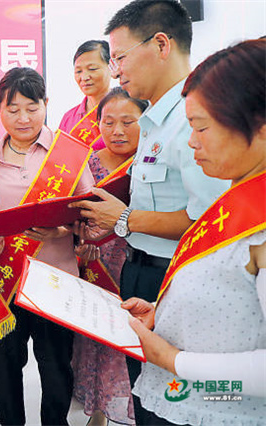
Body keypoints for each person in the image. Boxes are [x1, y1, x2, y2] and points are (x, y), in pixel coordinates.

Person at [69, 2, 230, 421]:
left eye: (120, 57)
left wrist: (123, 219)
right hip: (142, 276)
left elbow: (212, 223)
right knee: (148, 399)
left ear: (161, 44)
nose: (116, 71)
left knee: (176, 403)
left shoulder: (195, 120)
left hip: (175, 277)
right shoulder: (158, 121)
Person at [122, 38, 266, 425]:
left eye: (201, 127)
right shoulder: (237, 196)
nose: (191, 141)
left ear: (260, 128)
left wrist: (172, 359)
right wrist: (166, 312)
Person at [0, 67, 94, 426]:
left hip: (56, 280)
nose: (23, 118)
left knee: (56, 365)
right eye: (13, 109)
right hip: (5, 281)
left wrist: (63, 229)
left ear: (46, 104)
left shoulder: (69, 153)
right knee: (5, 365)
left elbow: (90, 214)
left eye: (32, 108)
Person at [72, 87, 147, 426]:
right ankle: (99, 411)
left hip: (138, 262)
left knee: (132, 338)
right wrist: (78, 244)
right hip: (95, 263)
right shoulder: (85, 163)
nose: (117, 131)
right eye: (108, 122)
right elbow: (71, 216)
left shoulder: (150, 161)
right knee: (96, 339)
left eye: (128, 122)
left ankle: (135, 409)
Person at [58, 40, 111, 150]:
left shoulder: (128, 109)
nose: (84, 77)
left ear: (111, 66)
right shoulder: (69, 118)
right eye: (78, 71)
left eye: (92, 69)